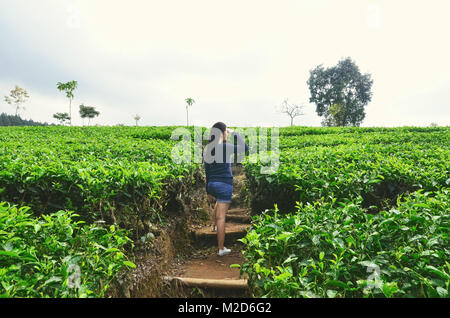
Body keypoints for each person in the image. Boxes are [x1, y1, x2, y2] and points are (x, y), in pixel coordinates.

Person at [203, 122, 249, 256]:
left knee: (218, 207)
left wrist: (208, 191)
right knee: (221, 217)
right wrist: (234, 133)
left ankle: (215, 227)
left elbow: (207, 172)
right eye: (225, 133)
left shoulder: (208, 149)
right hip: (224, 185)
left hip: (212, 184)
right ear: (223, 133)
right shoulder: (226, 147)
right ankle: (221, 248)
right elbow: (244, 147)